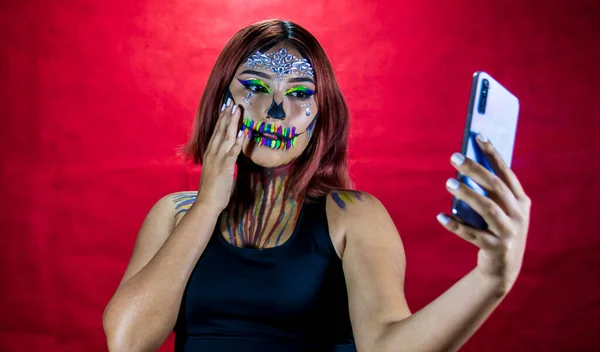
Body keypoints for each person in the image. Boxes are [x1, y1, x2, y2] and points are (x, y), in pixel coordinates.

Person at [102, 19, 531, 352]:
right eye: (255, 87)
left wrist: (491, 277)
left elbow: (388, 345)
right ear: (220, 102)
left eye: (300, 94)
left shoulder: (352, 215)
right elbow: (127, 340)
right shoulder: (175, 213)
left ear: (322, 115)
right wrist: (209, 203)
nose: (276, 110)